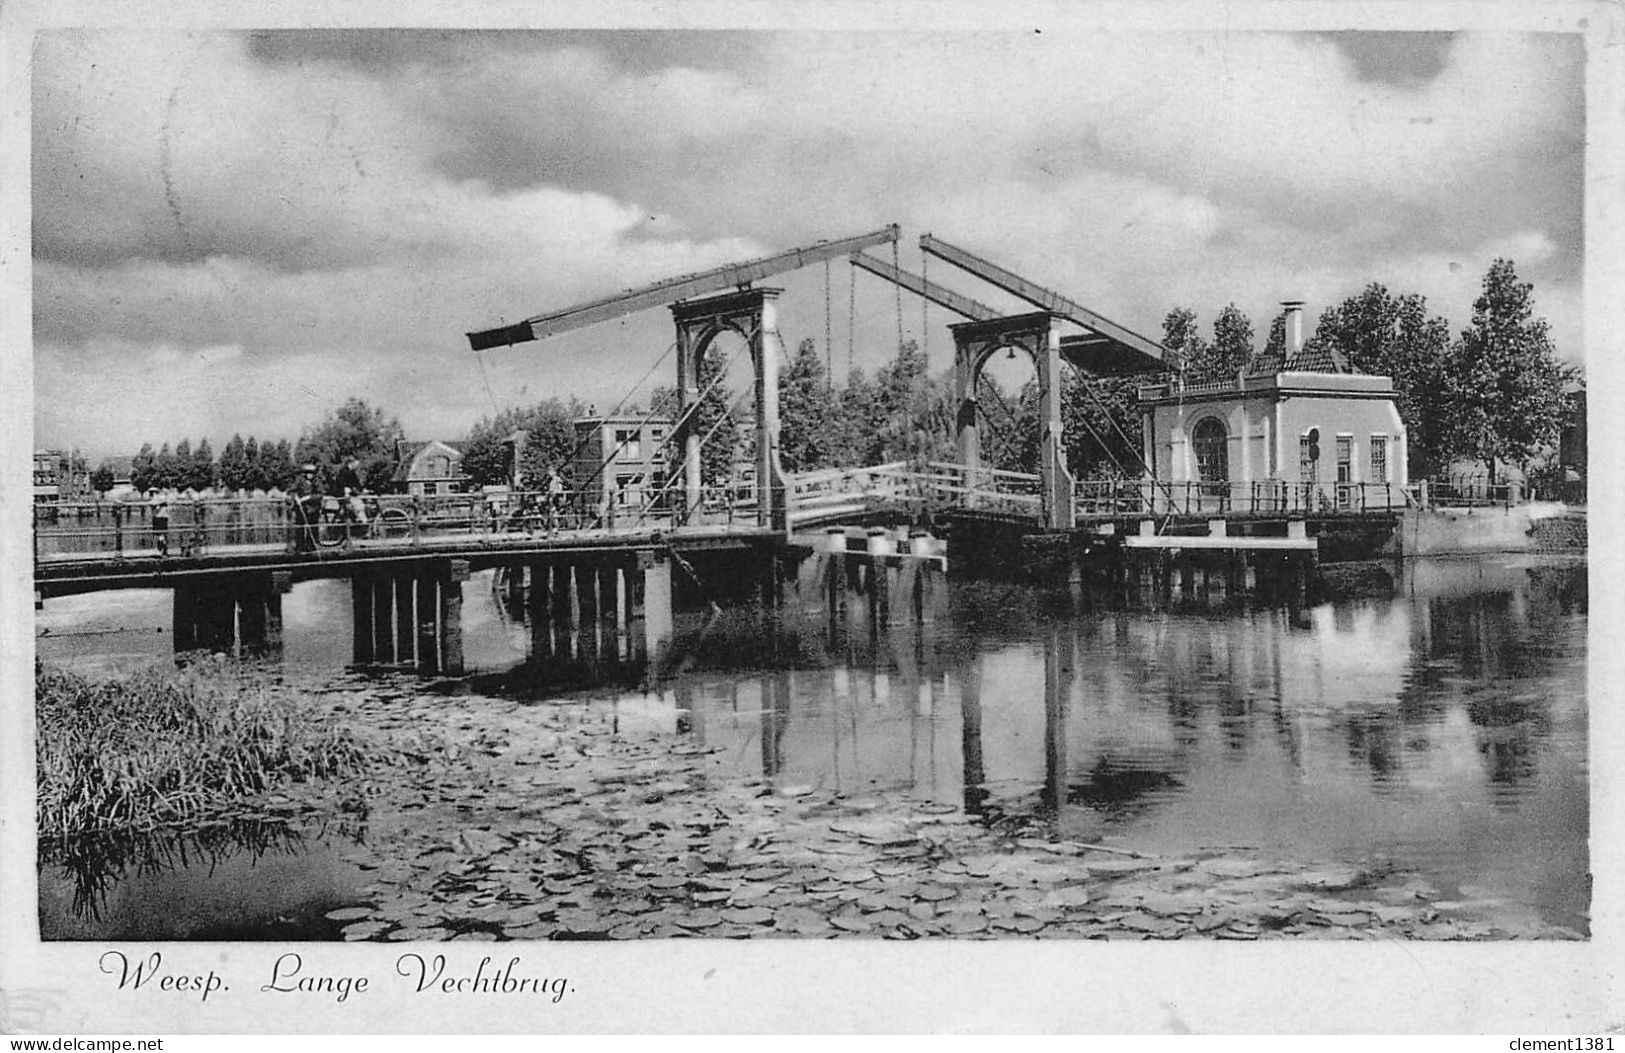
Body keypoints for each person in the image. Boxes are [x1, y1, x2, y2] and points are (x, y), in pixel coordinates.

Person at [150, 492, 170, 557]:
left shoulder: (165, 494)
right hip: (157, 516)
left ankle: (163, 549)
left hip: (163, 516)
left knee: (162, 534)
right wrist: (160, 503)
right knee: (158, 534)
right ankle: (159, 549)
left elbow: (168, 502)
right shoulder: (155, 495)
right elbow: (152, 503)